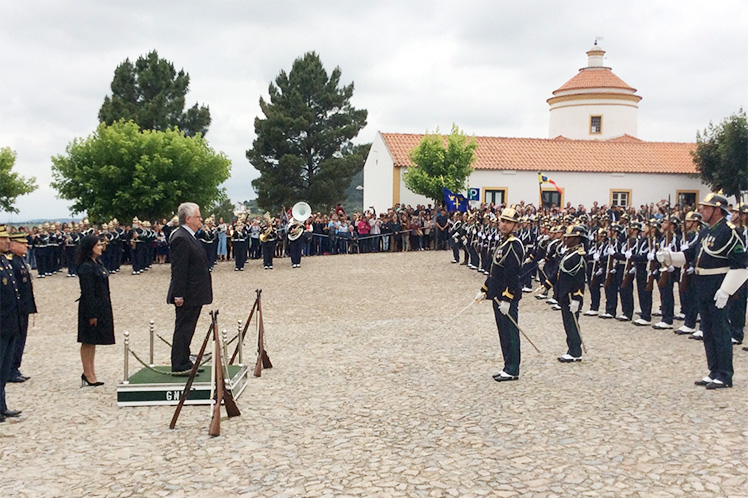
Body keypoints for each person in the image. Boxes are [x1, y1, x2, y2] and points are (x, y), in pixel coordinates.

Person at [658, 193, 748, 389]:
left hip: (718, 284)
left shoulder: (730, 232)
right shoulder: (705, 232)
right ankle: (713, 370)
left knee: (720, 331)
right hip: (703, 283)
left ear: (717, 210)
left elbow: (741, 265)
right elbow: (691, 253)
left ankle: (724, 374)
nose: (701, 211)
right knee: (707, 330)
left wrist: (726, 290)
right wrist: (670, 257)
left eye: (706, 208)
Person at [475, 207, 525, 382]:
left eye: (508, 222)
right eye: (502, 221)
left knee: (510, 332)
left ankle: (513, 368)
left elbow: (512, 273)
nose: (503, 224)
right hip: (497, 295)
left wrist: (508, 297)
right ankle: (507, 365)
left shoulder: (514, 245)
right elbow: (495, 271)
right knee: (503, 332)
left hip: (506, 297)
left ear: (515, 226)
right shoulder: (503, 243)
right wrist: (485, 289)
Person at [166, 202, 213, 373]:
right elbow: (179, 269)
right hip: (187, 293)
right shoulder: (180, 238)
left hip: (195, 292)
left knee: (189, 328)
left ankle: (185, 360)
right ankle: (179, 363)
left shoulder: (190, 236)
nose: (201, 219)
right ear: (188, 219)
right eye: (198, 216)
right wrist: (178, 294)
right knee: (183, 327)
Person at [76, 235, 115, 387]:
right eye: (98, 245)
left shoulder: (97, 263)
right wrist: (92, 314)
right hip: (90, 307)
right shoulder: (86, 267)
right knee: (87, 340)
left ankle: (91, 372)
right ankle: (87, 373)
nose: (101, 247)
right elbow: (88, 292)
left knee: (94, 341)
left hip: (102, 305)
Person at [8, 232, 37, 383]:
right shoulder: (12, 262)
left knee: (21, 338)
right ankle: (10, 369)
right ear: (12, 245)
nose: (26, 246)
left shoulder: (20, 261)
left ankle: (15, 367)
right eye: (22, 243)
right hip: (17, 308)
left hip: (24, 306)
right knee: (16, 339)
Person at [0, 226, 23, 421]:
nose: (8, 242)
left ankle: (2, 406)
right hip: (1, 324)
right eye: (3, 239)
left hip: (9, 324)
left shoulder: (4, 263)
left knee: (4, 368)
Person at [556, 225, 587, 362]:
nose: (565, 239)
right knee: (567, 323)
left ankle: (575, 351)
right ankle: (571, 348)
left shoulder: (578, 257)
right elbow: (559, 272)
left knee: (572, 323)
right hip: (564, 294)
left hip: (571, 296)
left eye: (569, 238)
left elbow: (580, 280)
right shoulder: (569, 253)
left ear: (577, 239)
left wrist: (577, 298)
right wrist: (546, 285)